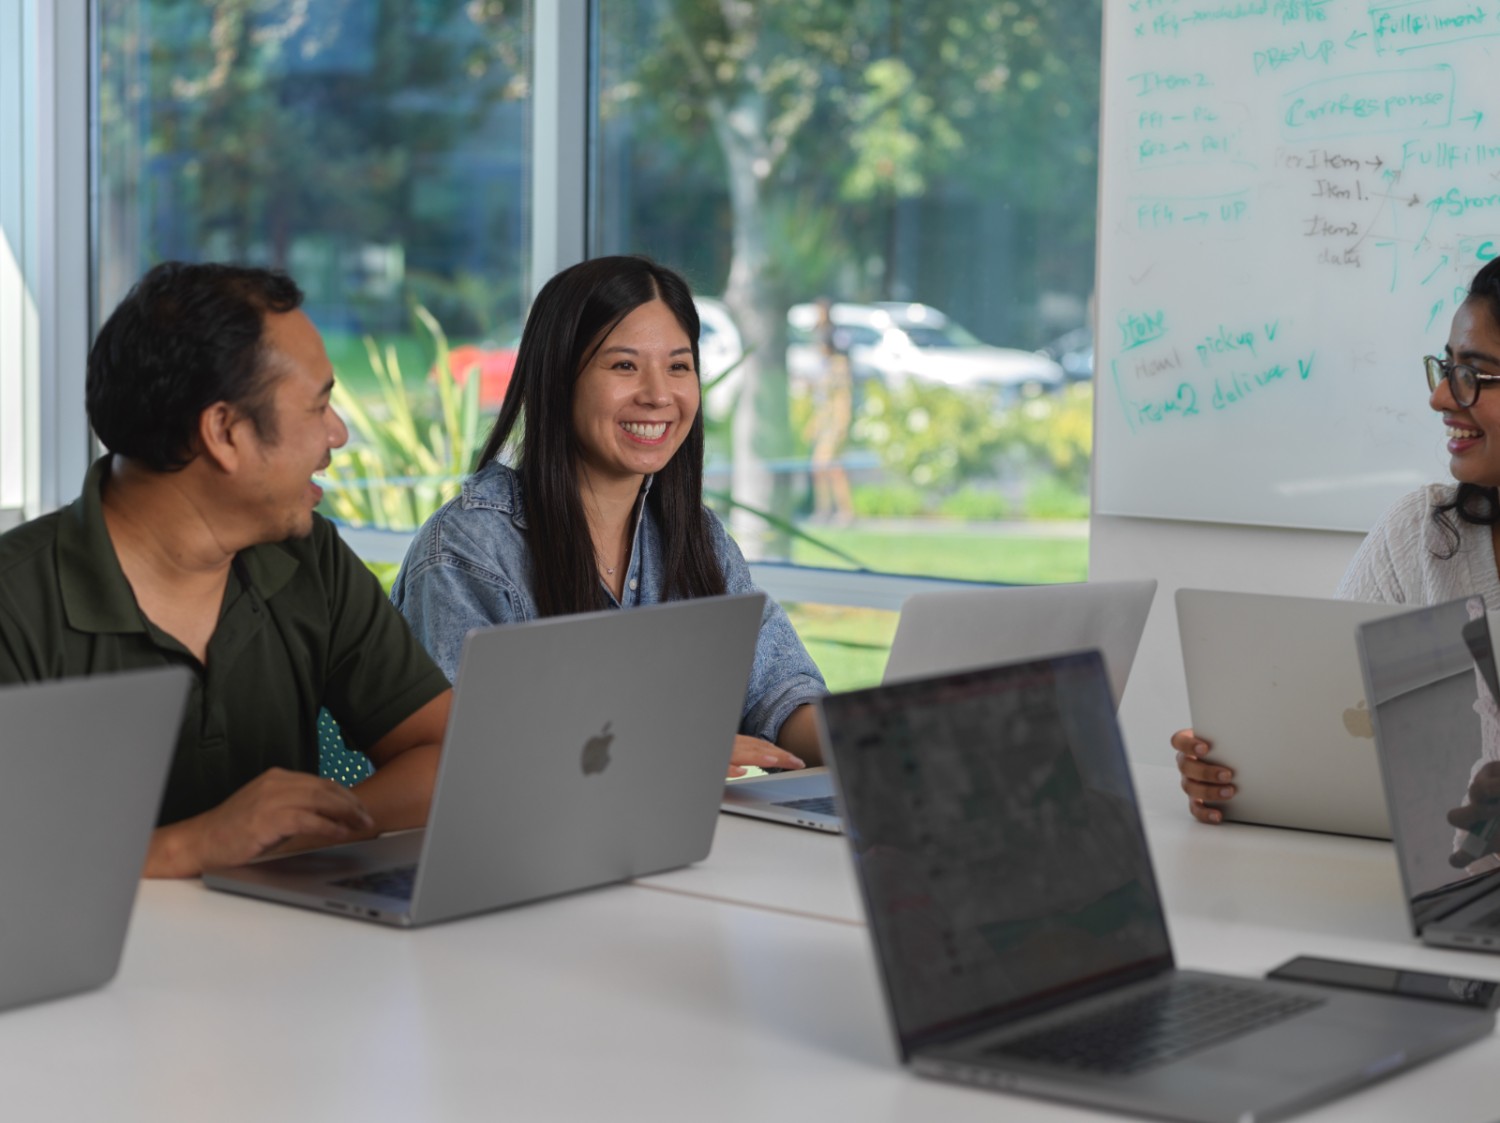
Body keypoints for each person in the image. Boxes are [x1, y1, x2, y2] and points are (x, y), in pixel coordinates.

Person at [0, 262, 453, 877]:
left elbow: (450, 751)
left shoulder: (309, 557)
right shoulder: (14, 604)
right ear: (224, 432)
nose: (338, 434)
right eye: (319, 406)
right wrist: (202, 844)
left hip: (288, 956)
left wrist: (304, 830)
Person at [392, 255, 825, 773]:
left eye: (679, 366)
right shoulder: (469, 549)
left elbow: (780, 691)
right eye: (624, 365)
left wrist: (867, 745)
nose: (659, 394)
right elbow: (472, 762)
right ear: (557, 378)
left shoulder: (696, 537)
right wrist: (672, 752)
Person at [1173, 257, 1500, 835]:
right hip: (1414, 880)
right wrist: (1234, 772)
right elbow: (1322, 718)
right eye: (1445, 368)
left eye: (1474, 373)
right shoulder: (1421, 531)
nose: (1442, 399)